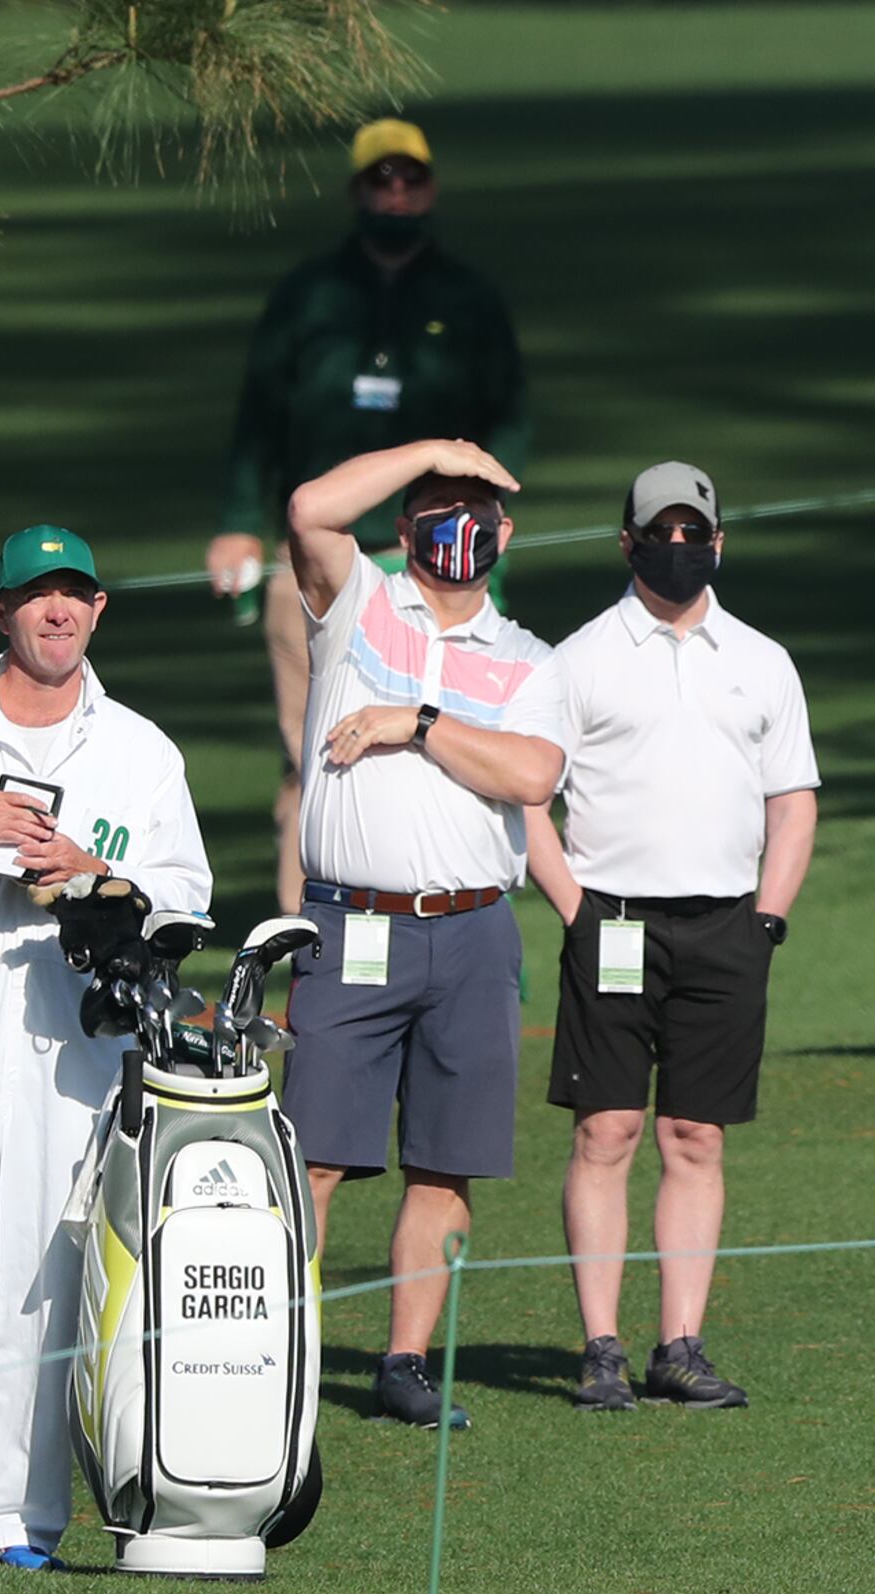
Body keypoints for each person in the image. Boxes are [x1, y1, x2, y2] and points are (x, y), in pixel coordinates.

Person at [0, 527, 211, 1564]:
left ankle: (16, 1519)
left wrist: (93, 874)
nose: (57, 611)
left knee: (48, 1272)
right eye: (37, 595)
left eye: (74, 593)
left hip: (73, 1032)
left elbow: (188, 899)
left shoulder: (140, 749)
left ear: (99, 608)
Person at [279, 439, 572, 1430]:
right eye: (439, 506)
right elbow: (312, 506)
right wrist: (437, 447)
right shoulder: (359, 602)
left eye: (477, 507)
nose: (460, 524)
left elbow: (531, 776)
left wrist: (419, 719)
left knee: (447, 1162)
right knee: (313, 1153)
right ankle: (285, 1348)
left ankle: (404, 1361)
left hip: (473, 935)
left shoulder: (529, 657)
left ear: (506, 532)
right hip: (352, 923)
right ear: (405, 528)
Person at [526, 464, 818, 1412]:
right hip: (611, 919)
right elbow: (529, 796)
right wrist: (576, 908)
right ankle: (602, 1345)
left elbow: (794, 799)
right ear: (628, 542)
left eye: (696, 533)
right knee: (606, 1129)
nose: (680, 548)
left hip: (728, 923)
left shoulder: (762, 658)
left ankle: (680, 1345)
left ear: (720, 542)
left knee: (696, 1136)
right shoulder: (576, 660)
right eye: (663, 532)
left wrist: (768, 916)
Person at [205, 118, 529, 903]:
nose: (395, 191)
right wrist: (240, 519)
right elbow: (259, 413)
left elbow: (508, 414)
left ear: (429, 187)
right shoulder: (309, 294)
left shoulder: (467, 297)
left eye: (408, 178)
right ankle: (304, 937)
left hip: (443, 555)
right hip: (319, 558)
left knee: (457, 736)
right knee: (311, 746)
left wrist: (492, 517)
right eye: (380, 179)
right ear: (357, 189)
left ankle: (458, 914)